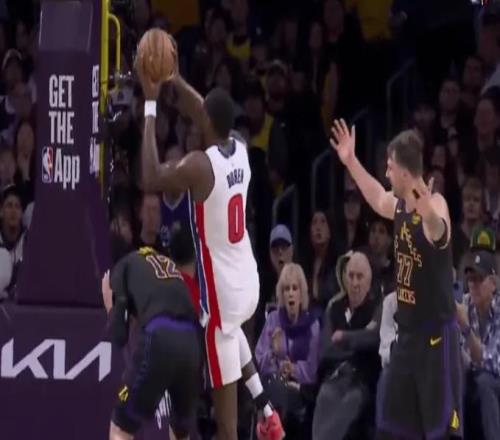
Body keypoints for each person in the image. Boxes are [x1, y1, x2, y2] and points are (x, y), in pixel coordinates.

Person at [136, 41, 284, 440]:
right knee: (233, 335)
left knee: (225, 425)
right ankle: (268, 411)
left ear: (208, 121)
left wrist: (150, 104)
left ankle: (258, 419)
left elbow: (150, 176)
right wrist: (173, 77)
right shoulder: (241, 148)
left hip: (222, 295)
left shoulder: (201, 166)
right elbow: (204, 108)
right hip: (249, 280)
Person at [331, 120, 462, 439]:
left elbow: (440, 233)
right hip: (407, 338)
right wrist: (351, 161)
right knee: (390, 426)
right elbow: (377, 197)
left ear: (404, 172)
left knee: (443, 432)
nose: (386, 173)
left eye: (390, 167)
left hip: (436, 340)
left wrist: (427, 212)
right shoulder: (400, 204)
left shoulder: (436, 204)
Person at [101, 247, 202, 440]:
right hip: (192, 342)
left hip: (159, 337)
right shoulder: (164, 263)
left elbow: (119, 336)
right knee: (180, 432)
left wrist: (110, 309)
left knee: (120, 427)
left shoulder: (122, 268)